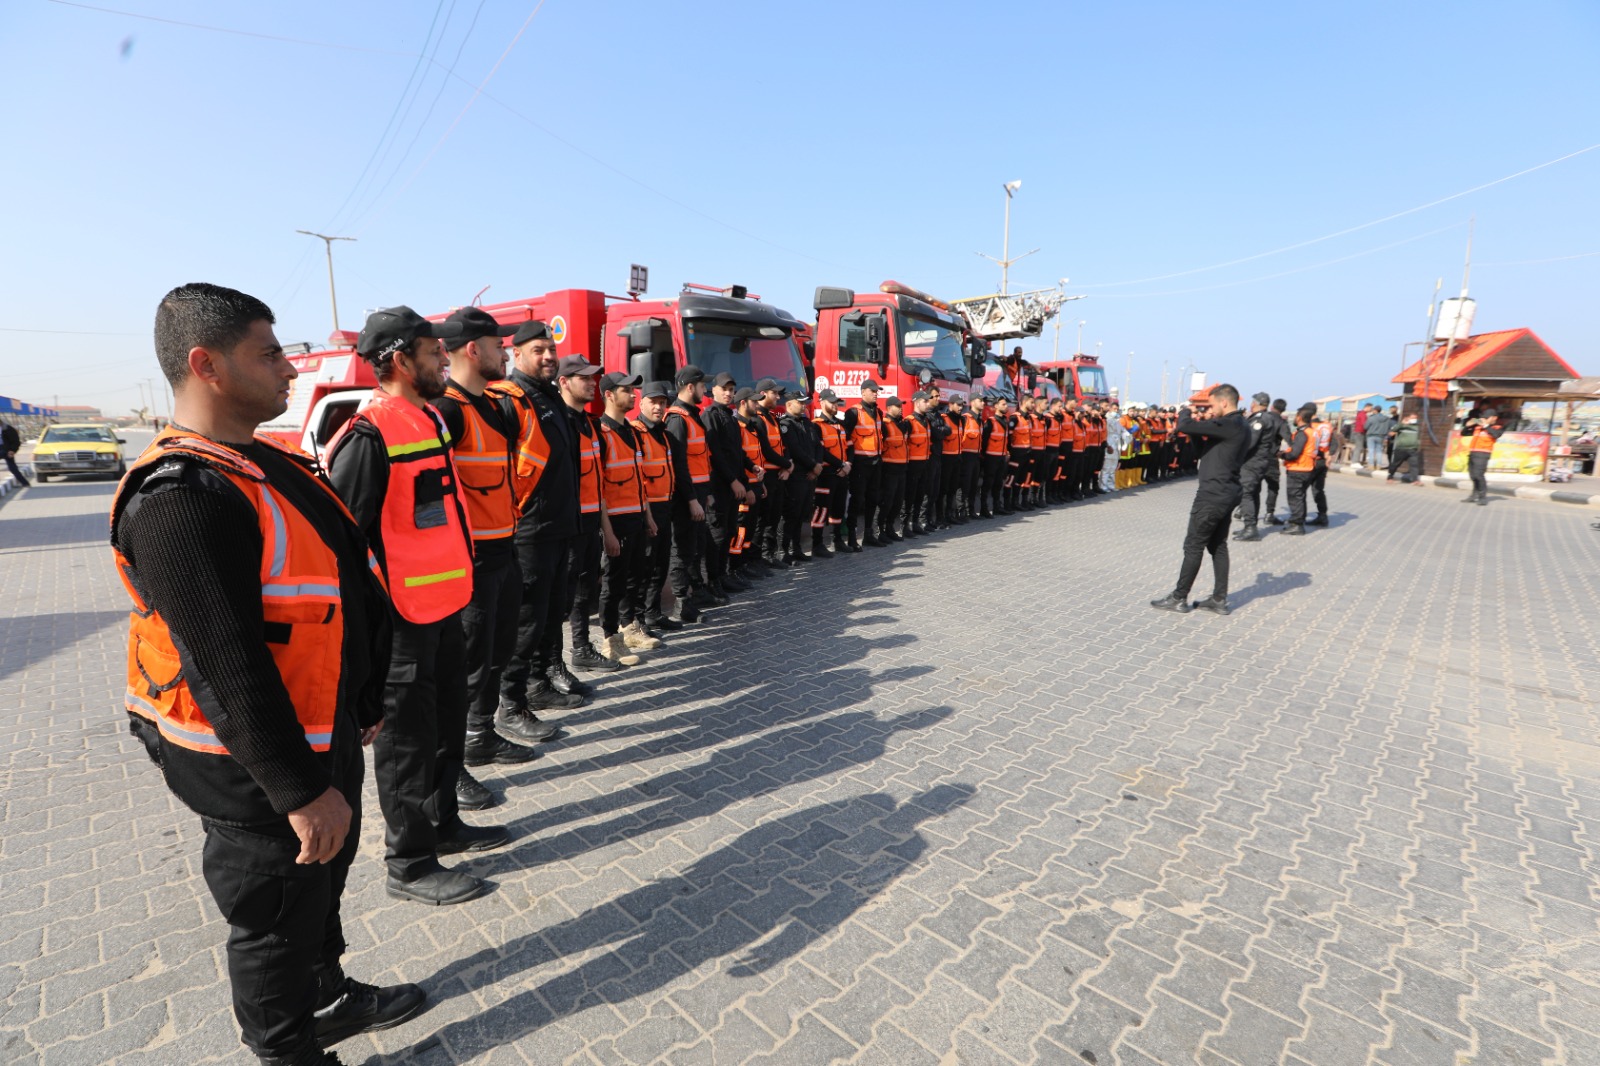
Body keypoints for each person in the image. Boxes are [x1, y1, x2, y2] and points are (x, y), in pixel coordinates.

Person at [112, 283, 421, 1064]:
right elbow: (229, 668)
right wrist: (298, 791)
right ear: (205, 364)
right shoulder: (180, 497)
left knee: (319, 889)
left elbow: (335, 589)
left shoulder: (262, 463)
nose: (290, 369)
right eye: (270, 353)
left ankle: (327, 994)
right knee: (274, 913)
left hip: (320, 734)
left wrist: (359, 703)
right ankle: (290, 1050)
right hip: (252, 763)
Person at [327, 306, 507, 907]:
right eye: (433, 353)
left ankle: (444, 824)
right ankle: (408, 862)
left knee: (443, 727)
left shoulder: (428, 419)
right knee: (405, 745)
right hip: (400, 621)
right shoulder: (369, 435)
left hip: (443, 608)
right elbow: (348, 548)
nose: (442, 360)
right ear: (401, 360)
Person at [432, 307, 539, 814]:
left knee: (496, 653)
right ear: (473, 349)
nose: (505, 352)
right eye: (499, 345)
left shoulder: (493, 407)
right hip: (468, 562)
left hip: (504, 551)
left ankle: (481, 735)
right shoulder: (447, 411)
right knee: (466, 665)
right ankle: (451, 770)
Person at [486, 321, 587, 741]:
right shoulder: (509, 399)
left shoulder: (549, 399)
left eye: (551, 348)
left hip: (559, 529)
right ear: (517, 354)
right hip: (529, 531)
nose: (548, 356)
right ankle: (510, 707)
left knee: (548, 616)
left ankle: (538, 685)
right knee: (524, 623)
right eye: (538, 350)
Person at [555, 355, 636, 669]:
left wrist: (606, 529)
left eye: (593, 378)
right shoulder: (557, 421)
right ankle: (564, 658)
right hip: (567, 526)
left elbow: (599, 483)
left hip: (589, 523)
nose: (591, 384)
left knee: (584, 589)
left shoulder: (590, 426)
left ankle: (580, 650)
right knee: (567, 594)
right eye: (584, 378)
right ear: (564, 382)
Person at [1150, 384, 1249, 616]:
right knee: (1217, 545)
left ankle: (1179, 597)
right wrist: (1193, 430)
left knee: (1194, 545)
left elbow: (1184, 424)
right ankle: (1219, 599)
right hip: (1227, 491)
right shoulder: (1239, 424)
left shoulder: (1229, 423)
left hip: (1213, 494)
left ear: (1224, 402)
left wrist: (1185, 410)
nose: (1211, 411)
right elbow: (1202, 451)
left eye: (1212, 406)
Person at [593, 371, 660, 661]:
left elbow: (638, 478)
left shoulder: (631, 432)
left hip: (636, 516)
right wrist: (607, 531)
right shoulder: (601, 432)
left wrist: (648, 516)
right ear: (609, 395)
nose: (633, 395)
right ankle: (610, 640)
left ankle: (629, 626)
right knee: (614, 582)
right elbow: (598, 488)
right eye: (626, 390)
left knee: (635, 578)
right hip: (616, 522)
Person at [665, 366, 720, 615]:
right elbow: (679, 465)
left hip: (698, 493)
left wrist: (705, 492)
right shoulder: (677, 419)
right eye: (701, 385)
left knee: (696, 545)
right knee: (683, 548)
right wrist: (691, 499)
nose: (705, 389)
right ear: (690, 387)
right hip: (687, 497)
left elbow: (700, 459)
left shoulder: (692, 415)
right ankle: (681, 603)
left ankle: (696, 592)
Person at [629, 380, 681, 629]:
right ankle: (638, 620)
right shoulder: (635, 433)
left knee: (661, 565)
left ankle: (653, 613)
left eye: (662, 403)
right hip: (646, 510)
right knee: (644, 567)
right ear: (642, 403)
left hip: (665, 507)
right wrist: (647, 515)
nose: (659, 407)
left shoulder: (664, 435)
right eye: (654, 402)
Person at [752, 377, 794, 566]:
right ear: (763, 394)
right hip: (767, 476)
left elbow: (782, 446)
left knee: (774, 517)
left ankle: (769, 555)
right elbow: (767, 450)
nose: (778, 396)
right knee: (764, 519)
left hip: (778, 475)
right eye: (774, 393)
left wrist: (787, 466)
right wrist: (787, 464)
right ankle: (760, 557)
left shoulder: (772, 417)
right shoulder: (758, 419)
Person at [777, 389, 822, 563]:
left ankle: (796, 549)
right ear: (789, 404)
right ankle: (783, 550)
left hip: (809, 475)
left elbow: (818, 446)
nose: (803, 406)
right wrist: (813, 465)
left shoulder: (807, 423)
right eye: (800, 402)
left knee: (802, 514)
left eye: (804, 403)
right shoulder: (786, 424)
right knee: (791, 515)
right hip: (796, 476)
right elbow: (795, 450)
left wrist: (816, 465)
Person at [1233, 392, 1283, 542]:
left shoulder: (1260, 419)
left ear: (1256, 403)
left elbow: (1250, 442)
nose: (1251, 404)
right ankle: (1250, 525)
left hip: (1252, 462)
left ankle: (1250, 528)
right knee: (1253, 493)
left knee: (1246, 493)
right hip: (1259, 461)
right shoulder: (1265, 418)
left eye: (1253, 401)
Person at [842, 380, 884, 549]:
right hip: (860, 463)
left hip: (876, 462)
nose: (876, 393)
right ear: (863, 392)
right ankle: (852, 537)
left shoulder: (878, 412)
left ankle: (868, 534)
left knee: (873, 499)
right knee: (857, 500)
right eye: (872, 390)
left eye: (877, 391)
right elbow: (846, 439)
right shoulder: (853, 412)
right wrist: (849, 461)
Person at [812, 388, 852, 554]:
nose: (835, 405)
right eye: (831, 402)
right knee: (821, 509)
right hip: (826, 475)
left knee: (838, 509)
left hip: (842, 474)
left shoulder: (840, 425)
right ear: (822, 403)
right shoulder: (816, 425)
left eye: (836, 402)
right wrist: (841, 465)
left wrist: (848, 463)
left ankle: (837, 540)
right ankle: (817, 543)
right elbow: (822, 452)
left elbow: (850, 447)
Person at [1281, 405, 1318, 534]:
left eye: (1296, 416)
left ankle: (1297, 524)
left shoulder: (1302, 434)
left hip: (1299, 468)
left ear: (1300, 418)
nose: (1295, 419)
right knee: (1300, 496)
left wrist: (1282, 455)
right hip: (1307, 468)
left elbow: (1294, 454)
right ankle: (1297, 521)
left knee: (1295, 497)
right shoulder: (1311, 431)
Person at [877, 394, 909, 540]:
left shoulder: (899, 424)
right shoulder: (885, 424)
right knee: (887, 501)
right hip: (889, 469)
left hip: (902, 469)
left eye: (901, 406)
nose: (901, 409)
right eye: (898, 406)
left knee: (897, 502)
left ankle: (890, 527)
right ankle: (880, 529)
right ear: (889, 408)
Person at [904, 390, 936, 536]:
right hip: (912, 464)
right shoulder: (908, 421)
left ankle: (915, 522)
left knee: (920, 495)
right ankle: (905, 525)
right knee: (909, 496)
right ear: (917, 402)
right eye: (925, 401)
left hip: (925, 462)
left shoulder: (926, 421)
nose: (928, 403)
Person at [1463, 406, 1504, 505]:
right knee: (1473, 475)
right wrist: (1468, 425)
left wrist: (1486, 426)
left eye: (1486, 418)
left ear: (1494, 418)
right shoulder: (1477, 427)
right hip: (1473, 453)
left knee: (1478, 475)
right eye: (1483, 418)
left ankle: (1482, 497)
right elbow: (1464, 433)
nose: (1483, 420)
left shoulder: (1497, 427)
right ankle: (1474, 495)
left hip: (1483, 454)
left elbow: (1496, 435)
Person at [1387, 411, 1422, 482]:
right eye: (1412, 418)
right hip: (1401, 449)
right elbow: (1392, 431)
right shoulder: (1402, 425)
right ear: (1408, 418)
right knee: (1396, 464)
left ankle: (1415, 480)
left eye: (1415, 418)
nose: (1414, 419)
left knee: (1414, 465)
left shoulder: (1417, 427)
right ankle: (1390, 477)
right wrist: (1402, 423)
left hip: (1412, 449)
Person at [2, 420, 29, 487]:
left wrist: (12, 450)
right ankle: (24, 482)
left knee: (12, 467)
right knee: (13, 467)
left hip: (7, 450)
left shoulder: (7, 429)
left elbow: (16, 441)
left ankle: (24, 483)